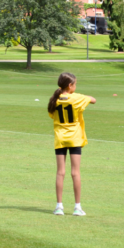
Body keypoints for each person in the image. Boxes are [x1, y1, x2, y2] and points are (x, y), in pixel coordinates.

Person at [48, 72, 96, 216]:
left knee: (60, 173)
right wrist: (80, 95)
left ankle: (59, 207)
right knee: (75, 173)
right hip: (74, 138)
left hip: (60, 138)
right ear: (70, 86)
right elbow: (93, 100)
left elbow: (52, 115)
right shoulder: (77, 98)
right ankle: (77, 207)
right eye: (75, 84)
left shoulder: (54, 100)